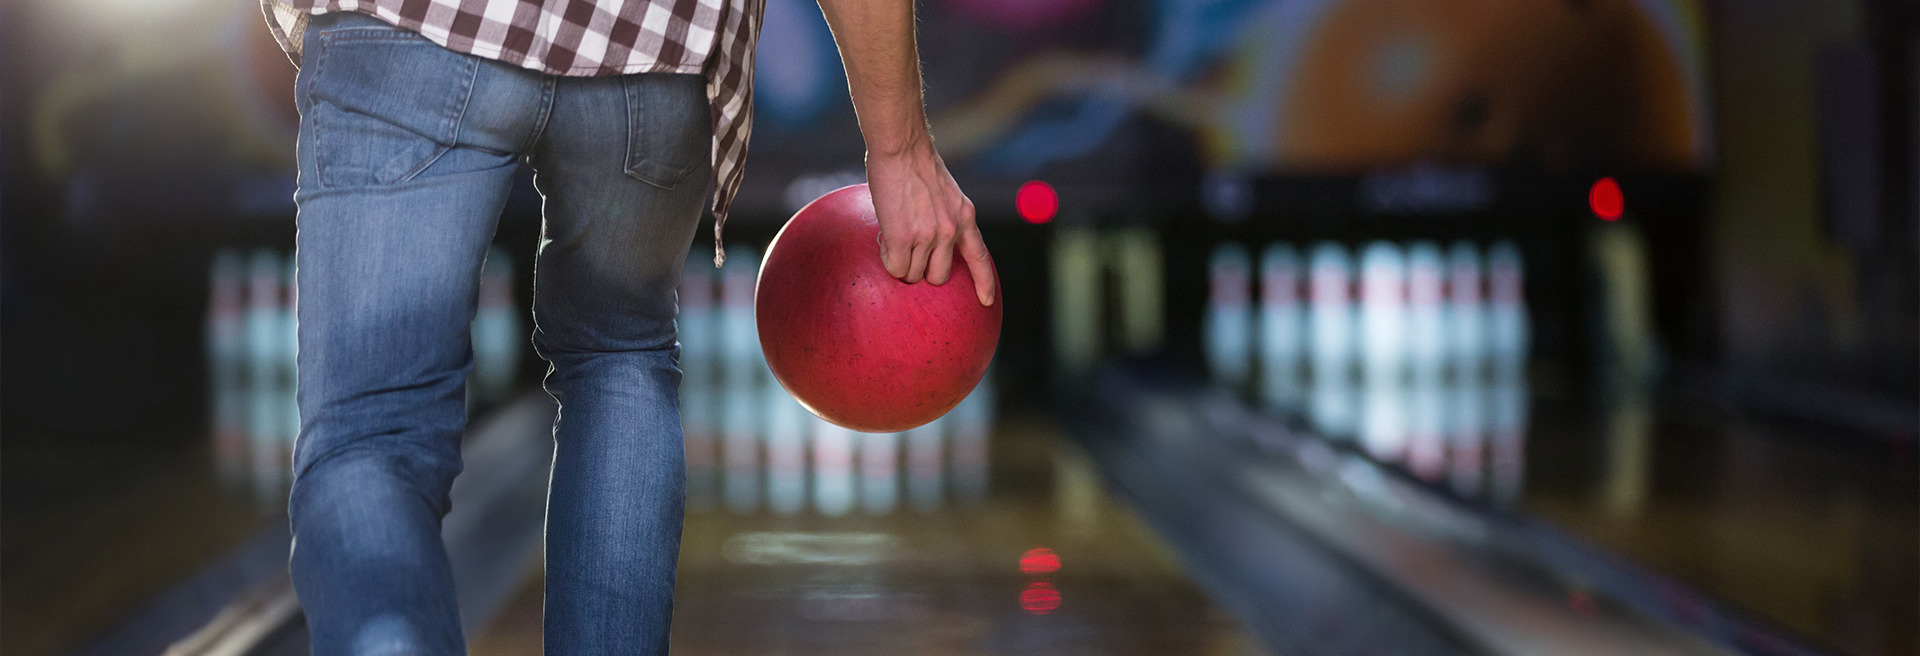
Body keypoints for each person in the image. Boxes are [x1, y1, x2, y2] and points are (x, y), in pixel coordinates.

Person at [259, 0, 997, 652]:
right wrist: (900, 150)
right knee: (619, 356)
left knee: (374, 438)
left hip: (411, 28)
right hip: (648, 44)